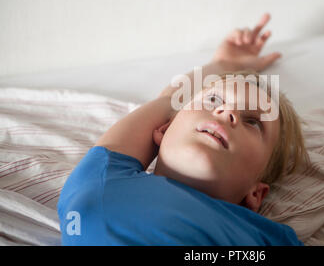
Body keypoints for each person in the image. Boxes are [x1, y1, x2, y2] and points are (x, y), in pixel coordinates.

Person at [57, 13, 310, 245]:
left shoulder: (262, 238)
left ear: (255, 193)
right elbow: (168, 102)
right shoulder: (105, 177)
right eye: (213, 100)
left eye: (253, 122)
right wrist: (222, 64)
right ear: (163, 128)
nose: (227, 112)